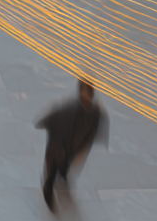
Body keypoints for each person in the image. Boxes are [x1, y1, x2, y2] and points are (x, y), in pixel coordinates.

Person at [36, 79, 107, 212]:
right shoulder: (68, 110)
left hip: (73, 149)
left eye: (90, 92)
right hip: (57, 148)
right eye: (86, 92)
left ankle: (62, 176)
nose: (89, 95)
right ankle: (48, 192)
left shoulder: (95, 112)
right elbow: (51, 120)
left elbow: (92, 132)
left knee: (64, 167)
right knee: (51, 173)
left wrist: (83, 149)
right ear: (80, 92)